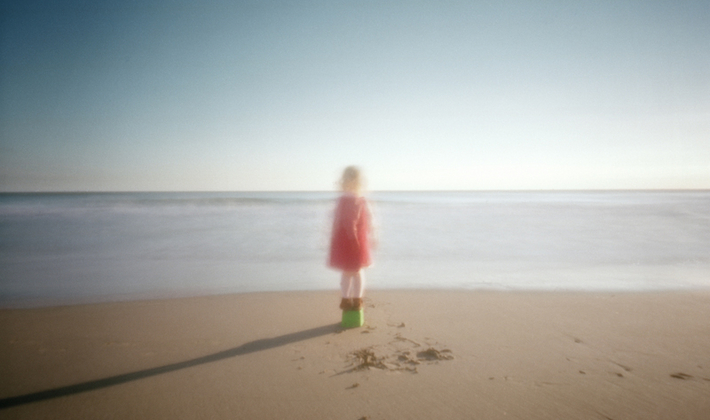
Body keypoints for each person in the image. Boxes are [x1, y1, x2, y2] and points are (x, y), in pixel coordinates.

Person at [328, 166, 373, 312]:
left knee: (347, 272)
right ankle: (356, 300)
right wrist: (372, 236)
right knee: (357, 272)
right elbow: (367, 221)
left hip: (343, 240)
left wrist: (332, 238)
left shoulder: (342, 200)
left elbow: (336, 220)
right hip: (356, 240)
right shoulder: (360, 200)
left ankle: (347, 300)